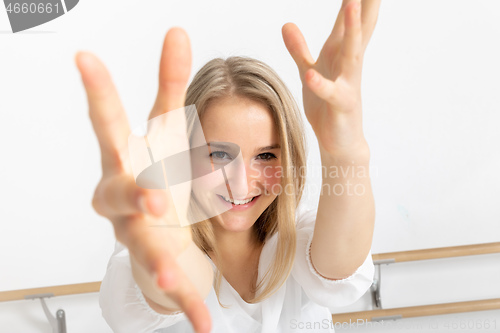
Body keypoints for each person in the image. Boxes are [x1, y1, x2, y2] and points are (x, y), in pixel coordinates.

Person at [75, 1, 381, 332]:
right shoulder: (148, 243)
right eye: (219, 155)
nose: (241, 184)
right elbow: (179, 286)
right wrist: (168, 237)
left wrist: (345, 151)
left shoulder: (301, 233)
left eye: (266, 156)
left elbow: (338, 269)